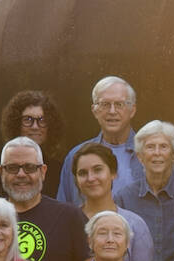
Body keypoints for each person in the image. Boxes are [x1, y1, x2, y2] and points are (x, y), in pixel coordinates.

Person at [0, 136, 89, 261]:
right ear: (1, 171)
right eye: (13, 168)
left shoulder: (70, 217)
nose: (21, 174)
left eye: (30, 167)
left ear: (43, 171)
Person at [115, 120, 174, 261]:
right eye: (150, 147)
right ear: (140, 157)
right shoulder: (124, 197)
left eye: (163, 147)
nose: (157, 153)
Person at [57, 76, 144, 205]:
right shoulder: (76, 155)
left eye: (119, 104)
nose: (112, 111)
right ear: (94, 111)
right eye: (105, 104)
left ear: (132, 110)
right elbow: (63, 210)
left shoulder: (151, 154)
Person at [72, 141, 155, 261]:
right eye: (82, 173)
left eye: (97, 170)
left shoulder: (134, 225)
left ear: (113, 173)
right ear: (76, 179)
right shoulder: (67, 221)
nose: (90, 178)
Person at [0, 90, 66, 201]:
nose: (35, 126)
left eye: (42, 120)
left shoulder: (58, 170)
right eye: (28, 120)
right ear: (16, 124)